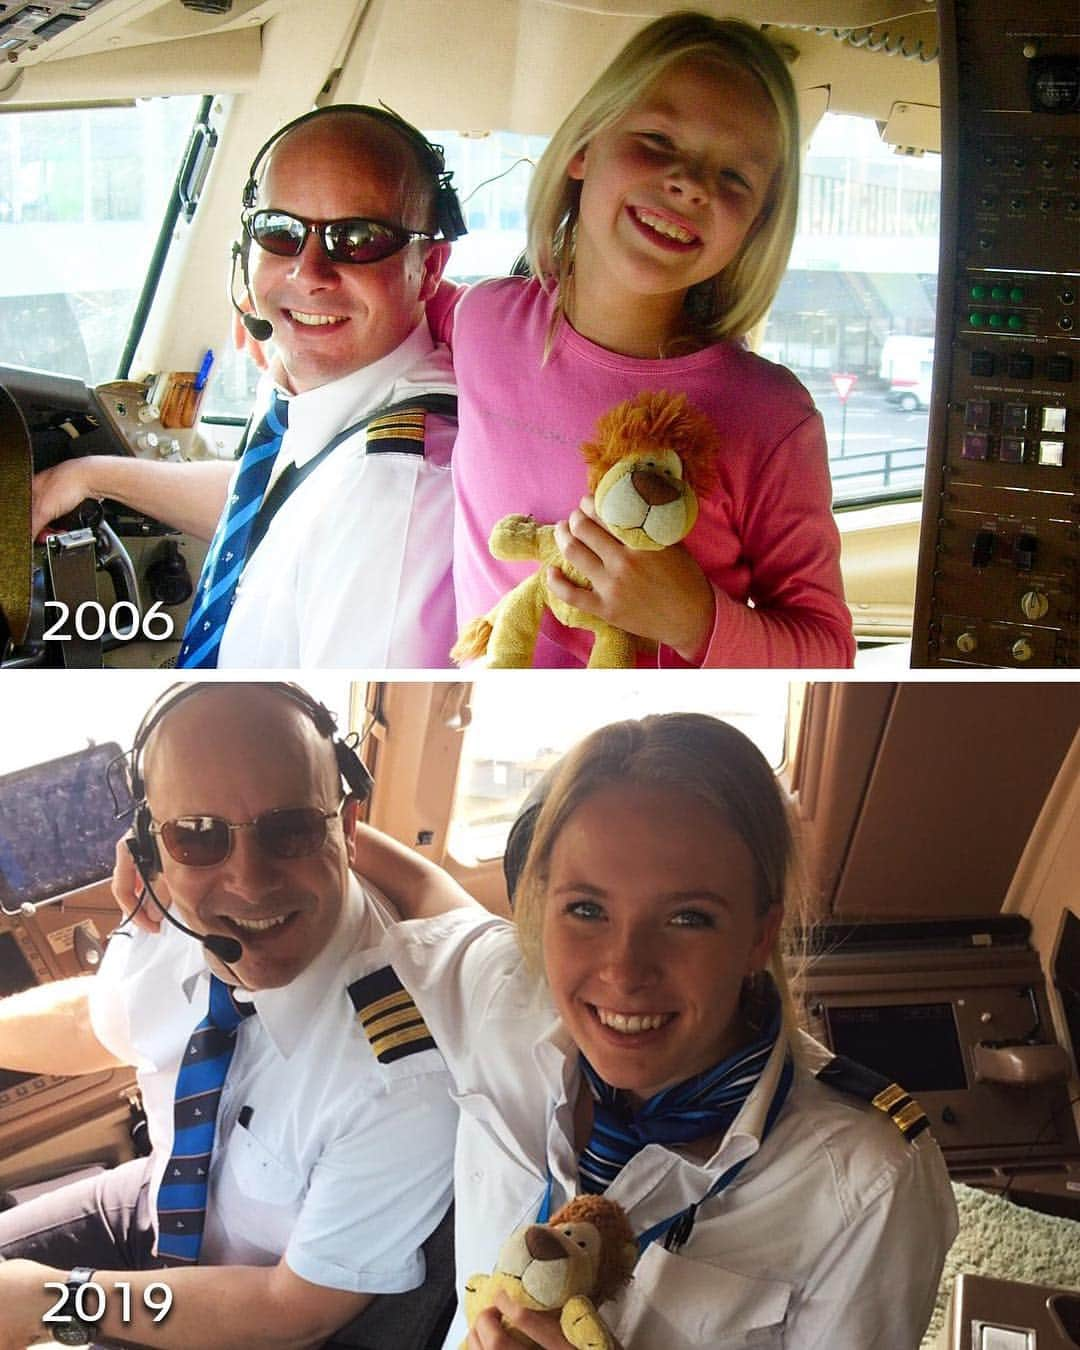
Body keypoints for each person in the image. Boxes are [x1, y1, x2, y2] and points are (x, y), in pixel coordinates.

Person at [353, 712, 956, 1347]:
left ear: (759, 934)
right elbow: (423, 890)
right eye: (586, 909)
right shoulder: (501, 997)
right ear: (538, 906)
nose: (624, 969)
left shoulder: (870, 1183)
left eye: (688, 918)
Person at [0, 682, 458, 1350]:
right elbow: (92, 1025)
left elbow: (294, 1312)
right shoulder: (170, 909)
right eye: (198, 834)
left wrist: (58, 1303)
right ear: (151, 846)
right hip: (157, 1208)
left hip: (259, 1304)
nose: (248, 882)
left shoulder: (404, 1076)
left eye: (292, 829)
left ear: (347, 826)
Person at [443, 12, 855, 668]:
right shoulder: (481, 322)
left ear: (755, 226)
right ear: (583, 148)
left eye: (734, 179)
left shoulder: (771, 419)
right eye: (659, 140)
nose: (690, 183)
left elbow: (828, 650)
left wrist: (694, 618)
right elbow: (392, 310)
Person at [30, 105, 462, 668]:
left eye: (357, 239)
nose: (308, 273)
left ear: (429, 269)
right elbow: (272, 511)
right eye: (281, 233)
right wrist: (89, 476)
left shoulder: (394, 492)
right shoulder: (323, 404)